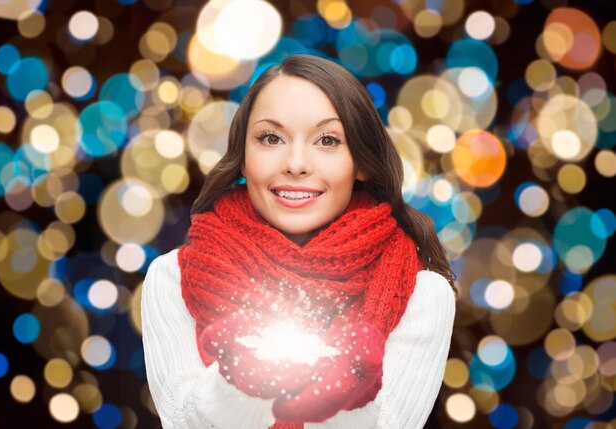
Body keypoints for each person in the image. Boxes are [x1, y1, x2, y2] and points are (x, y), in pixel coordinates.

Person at [141, 54, 457, 429]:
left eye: (327, 140)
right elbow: (182, 422)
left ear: (362, 162)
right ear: (243, 157)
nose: (295, 163)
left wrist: (348, 388)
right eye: (270, 138)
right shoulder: (172, 278)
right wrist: (240, 380)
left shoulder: (422, 295)